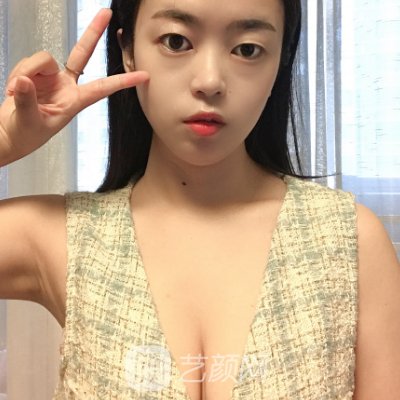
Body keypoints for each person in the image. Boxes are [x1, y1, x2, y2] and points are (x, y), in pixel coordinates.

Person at [0, 0, 399, 399]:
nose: (210, 81)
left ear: (280, 61)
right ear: (128, 50)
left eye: (247, 49)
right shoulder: (58, 237)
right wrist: (4, 142)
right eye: (176, 41)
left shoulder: (350, 241)